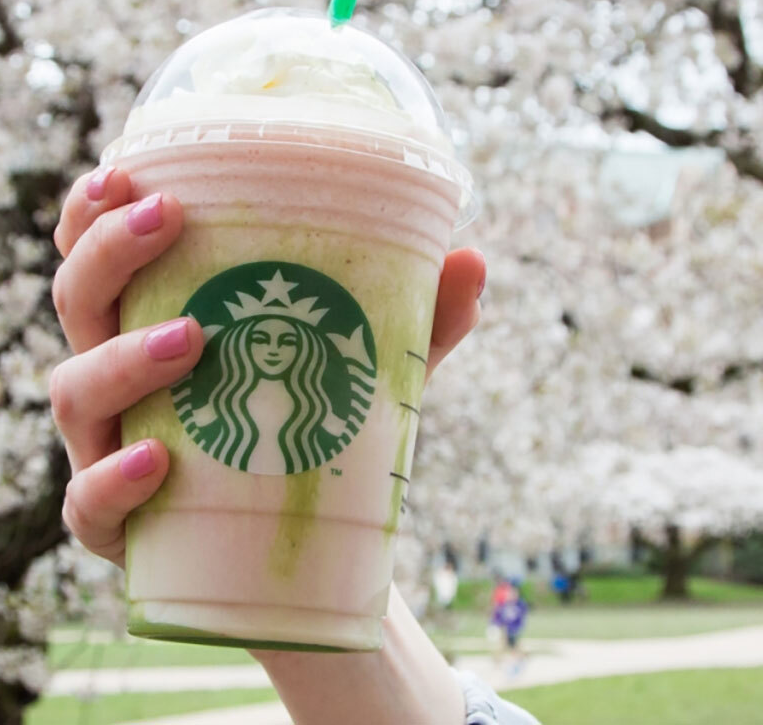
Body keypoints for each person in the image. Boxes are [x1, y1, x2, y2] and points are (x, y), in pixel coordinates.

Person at [49, 167, 541, 725]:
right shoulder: (235, 407)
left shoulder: (311, 407)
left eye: (289, 337)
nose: (273, 347)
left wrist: (315, 588)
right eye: (260, 335)